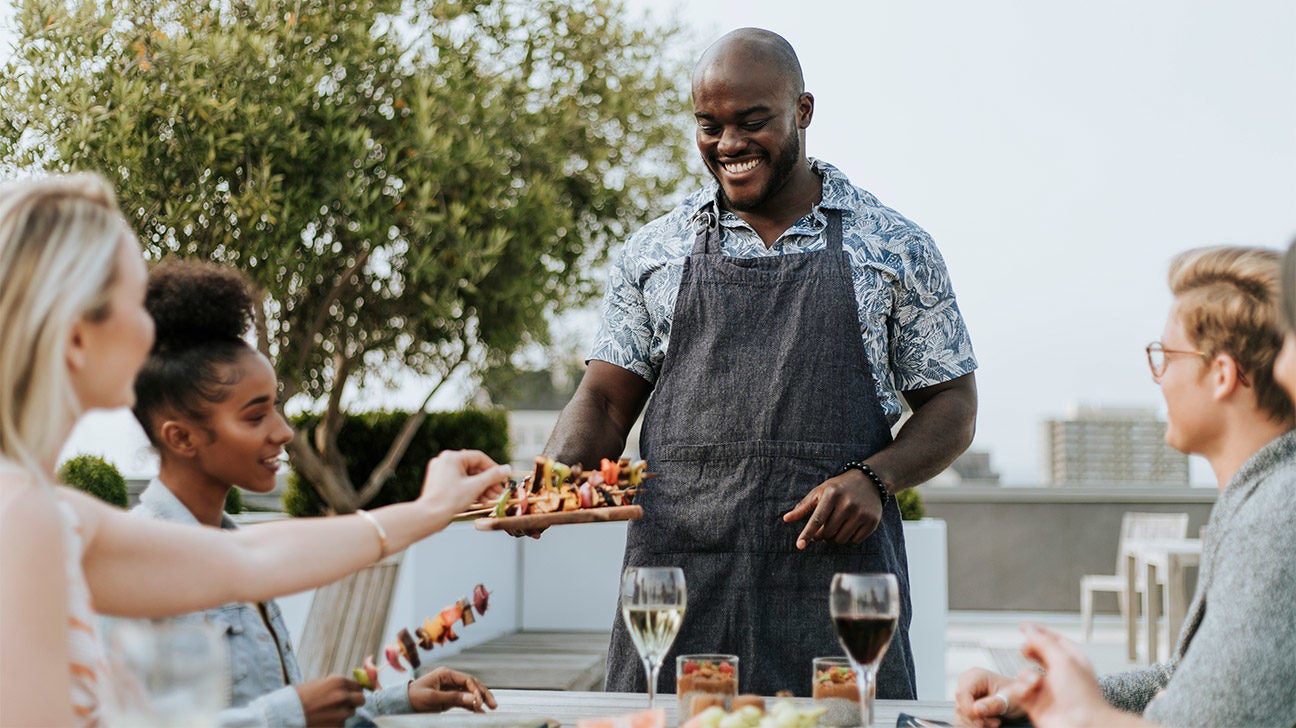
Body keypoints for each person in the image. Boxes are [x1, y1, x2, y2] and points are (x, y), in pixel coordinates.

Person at [543, 28, 978, 697]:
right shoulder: (654, 251)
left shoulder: (894, 246)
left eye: (752, 123)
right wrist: (549, 481)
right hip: (678, 592)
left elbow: (953, 406)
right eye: (709, 126)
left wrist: (875, 476)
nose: (729, 145)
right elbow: (603, 401)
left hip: (837, 594)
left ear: (802, 111)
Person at [0, 173, 510, 727]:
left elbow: (249, 559)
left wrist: (429, 510)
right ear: (77, 337)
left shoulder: (50, 512)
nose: (151, 332)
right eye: (134, 304)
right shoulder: (23, 518)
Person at [97, 259, 497, 727]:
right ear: (181, 438)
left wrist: (400, 698)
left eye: (277, 409)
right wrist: (292, 713)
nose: (284, 432)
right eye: (255, 416)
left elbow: (262, 704)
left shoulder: (240, 553)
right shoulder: (134, 563)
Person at [954, 245, 1296, 728]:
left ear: (1221, 374)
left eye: (1166, 356)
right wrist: (1032, 694)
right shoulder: (1259, 496)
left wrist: (1084, 717)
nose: (1158, 379)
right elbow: (1189, 681)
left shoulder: (1276, 514)